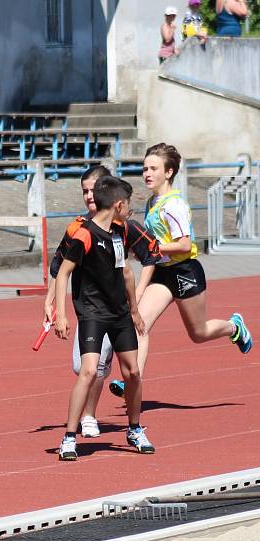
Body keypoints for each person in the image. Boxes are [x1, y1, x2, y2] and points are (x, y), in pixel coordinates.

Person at [109, 144, 253, 396]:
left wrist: (151, 246)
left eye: (154, 168)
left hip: (185, 272)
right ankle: (133, 378)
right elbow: (153, 245)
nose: (147, 173)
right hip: (163, 274)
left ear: (169, 172)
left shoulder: (173, 205)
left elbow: (185, 244)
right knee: (139, 324)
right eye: (144, 169)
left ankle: (234, 327)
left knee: (199, 333)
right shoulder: (153, 201)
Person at [43, 166, 161, 438]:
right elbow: (60, 268)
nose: (89, 196)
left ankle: (92, 417)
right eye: (84, 191)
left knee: (102, 368)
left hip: (117, 310)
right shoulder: (78, 229)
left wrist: (137, 301)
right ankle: (78, 426)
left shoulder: (124, 226)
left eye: (94, 190)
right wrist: (50, 303)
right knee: (81, 367)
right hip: (90, 311)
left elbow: (145, 260)